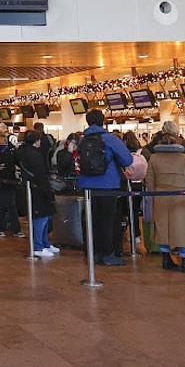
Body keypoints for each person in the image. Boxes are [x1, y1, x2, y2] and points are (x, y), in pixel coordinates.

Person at [77, 110, 133, 267]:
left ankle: (93, 252)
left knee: (91, 220)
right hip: (108, 185)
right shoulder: (111, 139)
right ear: (103, 121)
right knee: (108, 221)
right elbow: (127, 159)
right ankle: (109, 254)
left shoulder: (83, 140)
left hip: (87, 186)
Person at [146, 133, 185, 272]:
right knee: (184, 228)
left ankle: (166, 259)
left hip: (160, 196)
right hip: (181, 196)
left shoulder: (154, 158)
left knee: (163, 229)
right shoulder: (184, 158)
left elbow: (149, 181)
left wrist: (155, 194)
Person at [17, 130, 57, 257]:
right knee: (41, 218)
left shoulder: (21, 152)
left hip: (31, 187)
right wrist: (47, 188)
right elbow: (40, 173)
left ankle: (44, 243)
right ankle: (38, 246)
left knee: (43, 217)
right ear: (36, 141)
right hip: (38, 188)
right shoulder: (34, 155)